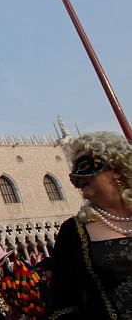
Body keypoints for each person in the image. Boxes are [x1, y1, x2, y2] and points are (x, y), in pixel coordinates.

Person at [49, 131, 132, 318]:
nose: (77, 176)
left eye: (86, 166)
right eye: (75, 169)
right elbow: (62, 306)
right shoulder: (73, 232)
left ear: (116, 169)